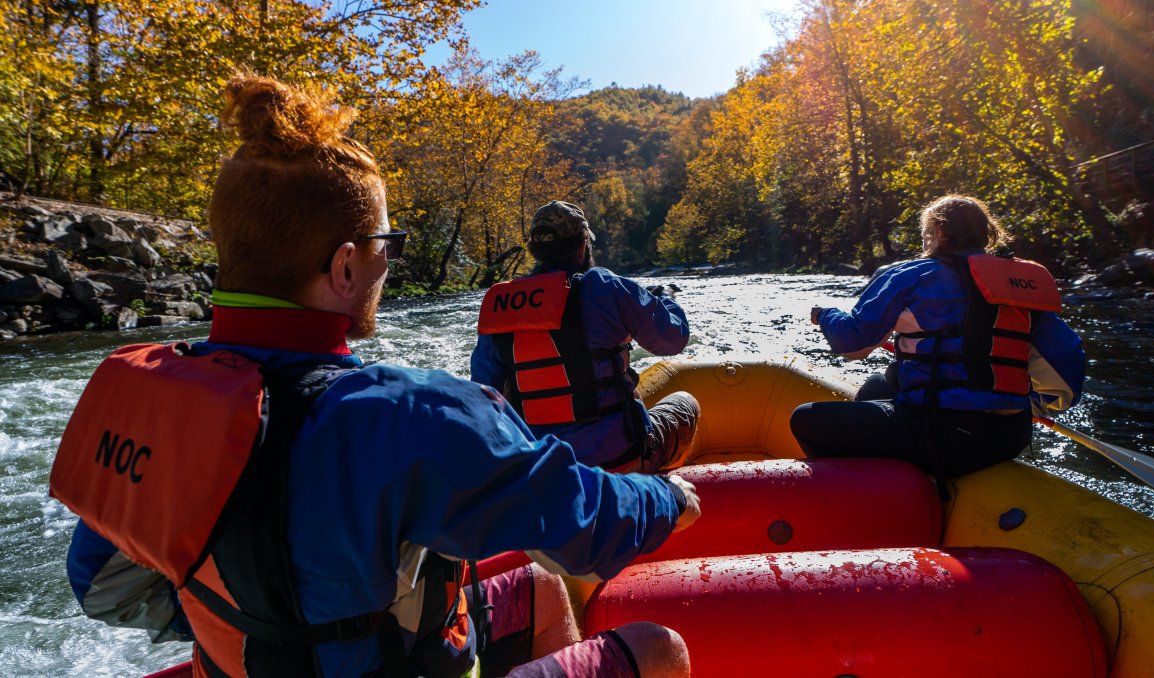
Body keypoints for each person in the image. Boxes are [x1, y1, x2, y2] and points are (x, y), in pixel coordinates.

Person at [50, 75, 699, 678]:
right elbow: (586, 529)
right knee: (657, 648)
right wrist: (668, 500)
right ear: (345, 267)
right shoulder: (411, 418)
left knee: (538, 588)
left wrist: (263, 613)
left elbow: (101, 587)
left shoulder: (157, 407)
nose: (389, 262)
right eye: (386, 244)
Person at [790, 194, 1085, 482]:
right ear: (986, 236)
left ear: (939, 231)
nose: (924, 240)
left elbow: (852, 344)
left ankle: (870, 498)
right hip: (1010, 435)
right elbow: (1069, 362)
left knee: (805, 418)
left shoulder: (912, 275)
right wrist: (1031, 401)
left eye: (925, 233)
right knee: (880, 382)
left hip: (941, 437)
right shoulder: (1019, 286)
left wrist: (825, 315)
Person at [472, 201, 700, 474]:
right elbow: (673, 339)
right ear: (583, 246)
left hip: (544, 469)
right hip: (619, 460)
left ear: (536, 252)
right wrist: (665, 298)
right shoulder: (606, 286)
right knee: (686, 404)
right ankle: (657, 486)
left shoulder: (502, 304)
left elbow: (484, 399)